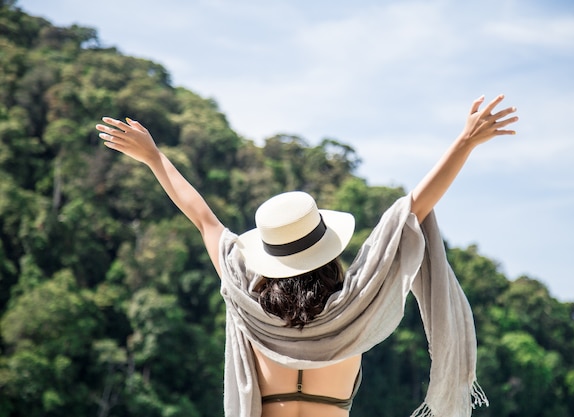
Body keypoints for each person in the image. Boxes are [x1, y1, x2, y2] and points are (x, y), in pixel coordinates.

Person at [96, 94, 518, 417]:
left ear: (268, 259)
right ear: (328, 251)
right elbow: (412, 210)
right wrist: (465, 141)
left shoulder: (250, 306)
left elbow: (204, 219)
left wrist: (153, 157)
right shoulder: (356, 308)